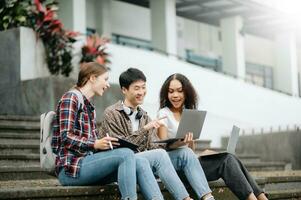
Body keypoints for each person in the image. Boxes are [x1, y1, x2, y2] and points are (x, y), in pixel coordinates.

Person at [51, 62, 163, 200]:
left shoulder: (89, 105)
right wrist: (95, 144)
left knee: (139, 162)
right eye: (105, 79)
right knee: (126, 154)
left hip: (88, 164)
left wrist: (106, 145)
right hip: (71, 169)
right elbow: (66, 136)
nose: (108, 84)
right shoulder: (71, 98)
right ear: (92, 78)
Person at [100, 68, 215, 200]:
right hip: (124, 164)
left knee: (186, 153)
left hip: (146, 162)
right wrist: (145, 129)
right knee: (159, 155)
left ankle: (208, 197)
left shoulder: (145, 116)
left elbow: (154, 148)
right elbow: (120, 148)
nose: (141, 92)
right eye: (136, 88)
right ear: (124, 90)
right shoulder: (112, 113)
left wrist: (176, 144)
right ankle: (185, 198)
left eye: (143, 87)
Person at [157, 73, 269, 200]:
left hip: (191, 165)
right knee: (227, 160)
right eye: (171, 91)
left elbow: (190, 150)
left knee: (229, 158)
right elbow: (162, 149)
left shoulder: (189, 113)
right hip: (175, 170)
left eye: (180, 91)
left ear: (186, 93)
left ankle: (261, 197)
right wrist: (180, 143)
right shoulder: (163, 113)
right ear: (166, 93)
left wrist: (192, 146)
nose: (175, 95)